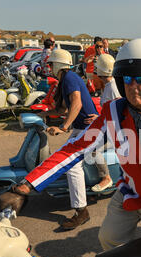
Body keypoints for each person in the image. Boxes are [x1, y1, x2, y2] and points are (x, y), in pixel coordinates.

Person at [0, 39, 141, 257]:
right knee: (109, 239)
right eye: (127, 79)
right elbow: (74, 149)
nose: (133, 87)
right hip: (129, 191)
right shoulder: (113, 112)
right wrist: (27, 185)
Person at [39, 49, 100, 230]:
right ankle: (81, 192)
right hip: (82, 128)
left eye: (51, 64)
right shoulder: (65, 80)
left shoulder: (70, 78)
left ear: (58, 65)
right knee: (65, 158)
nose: (49, 67)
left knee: (72, 164)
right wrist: (44, 113)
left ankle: (81, 211)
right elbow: (64, 109)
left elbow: (77, 103)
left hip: (90, 129)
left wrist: (63, 128)